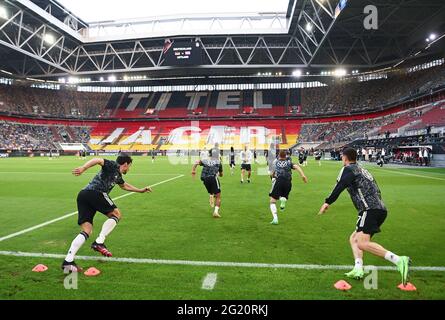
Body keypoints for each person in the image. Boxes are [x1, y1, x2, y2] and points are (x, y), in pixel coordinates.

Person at [318, 148, 411, 285]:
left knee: (362, 243)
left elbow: (340, 185)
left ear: (345, 158)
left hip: (370, 209)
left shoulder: (348, 169)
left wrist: (327, 202)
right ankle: (358, 268)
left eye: (342, 156)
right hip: (378, 208)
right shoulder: (361, 169)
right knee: (354, 238)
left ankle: (399, 260)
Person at [62, 154, 152, 273]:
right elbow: (98, 160)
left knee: (87, 229)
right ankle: (99, 242)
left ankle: (68, 261)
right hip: (96, 193)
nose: (129, 169)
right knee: (116, 214)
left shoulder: (118, 175)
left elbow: (124, 185)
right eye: (129, 166)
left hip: (84, 195)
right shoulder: (112, 165)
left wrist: (140, 190)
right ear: (125, 164)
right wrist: (84, 168)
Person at [269, 150, 308, 225]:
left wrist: (272, 177)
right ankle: (283, 199)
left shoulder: (275, 162)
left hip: (279, 181)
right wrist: (303, 175)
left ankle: (275, 219)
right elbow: (296, 166)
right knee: (284, 196)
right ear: (286, 156)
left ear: (279, 155)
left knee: (272, 201)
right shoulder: (289, 162)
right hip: (288, 182)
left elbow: (272, 173)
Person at [192, 149, 223, 218]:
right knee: (218, 196)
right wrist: (219, 172)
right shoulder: (218, 162)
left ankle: (211, 194)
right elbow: (221, 174)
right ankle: (216, 212)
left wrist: (193, 170)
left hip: (204, 179)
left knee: (213, 189)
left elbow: (196, 163)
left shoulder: (205, 160)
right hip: (213, 178)